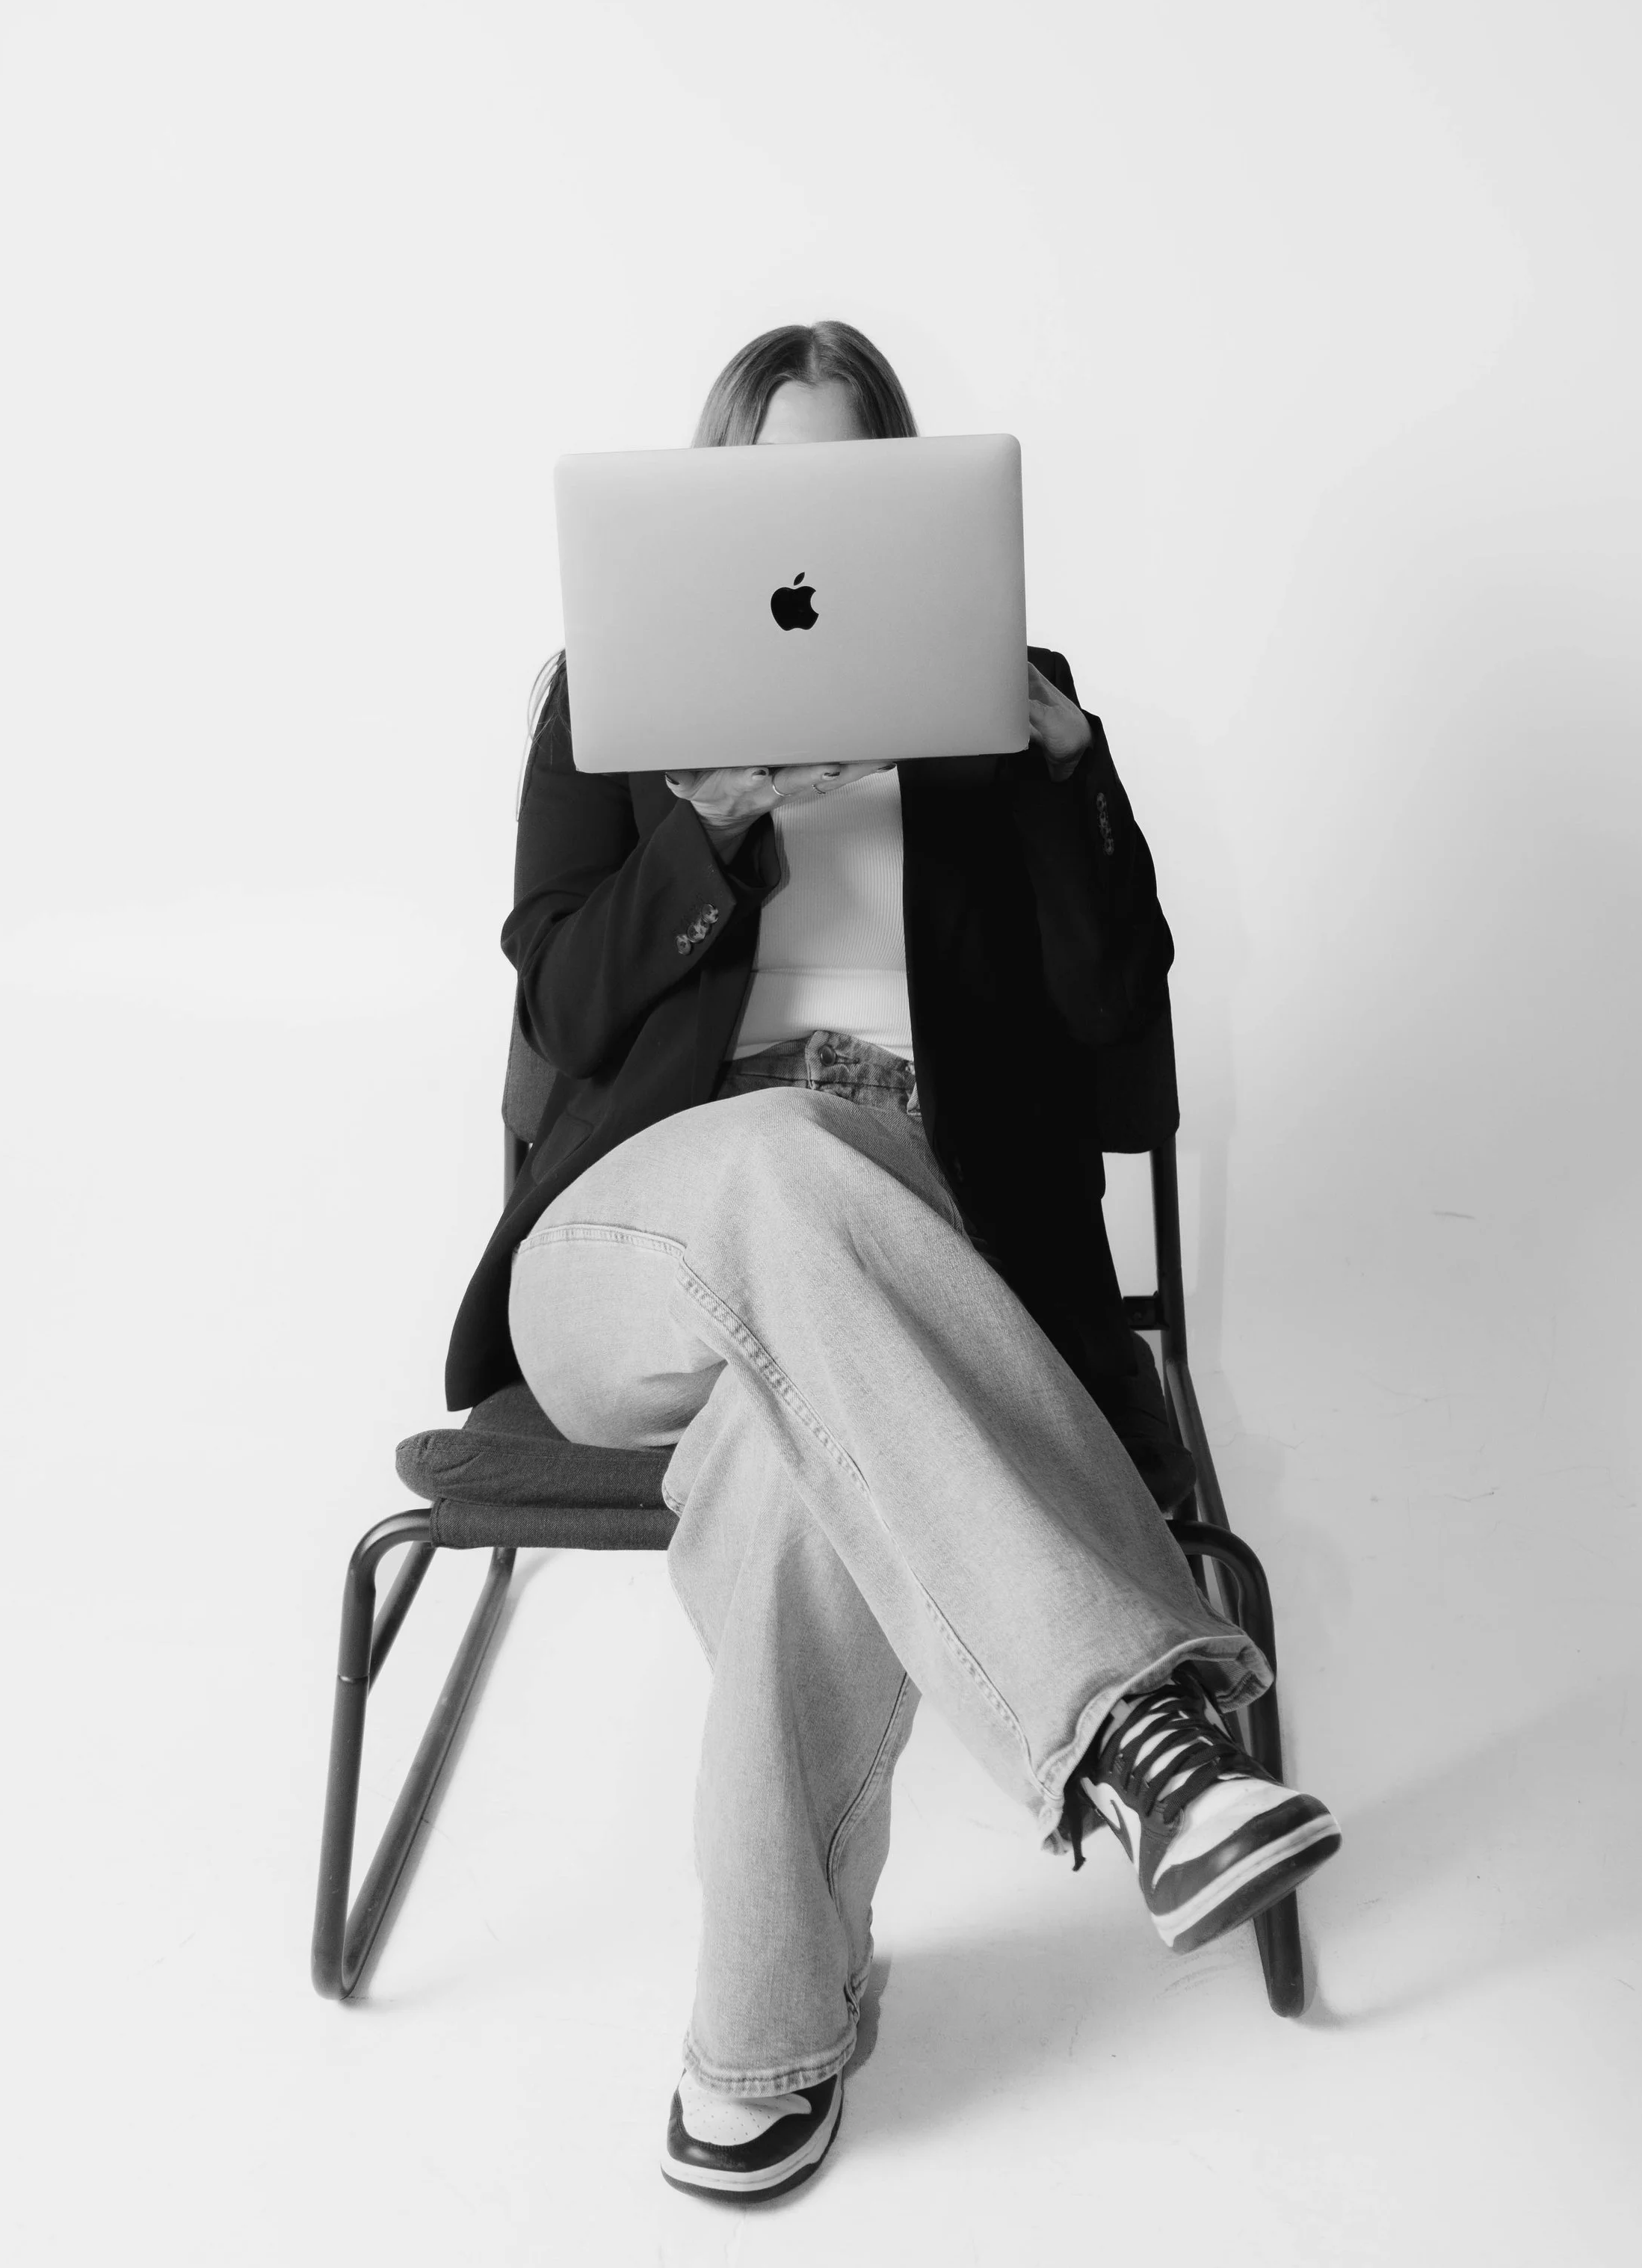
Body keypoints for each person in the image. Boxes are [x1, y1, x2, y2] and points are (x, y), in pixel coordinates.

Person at [446, 321, 1340, 2205]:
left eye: (849, 488)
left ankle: (757, 2046)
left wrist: (1068, 782)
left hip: (909, 1253)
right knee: (775, 1163)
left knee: (791, 1470)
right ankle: (1138, 1727)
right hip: (629, 1253)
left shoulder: (1005, 711)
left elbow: (1110, 1025)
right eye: (771, 488)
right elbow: (560, 1001)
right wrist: (708, 826)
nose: (803, 544)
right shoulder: (604, 702)